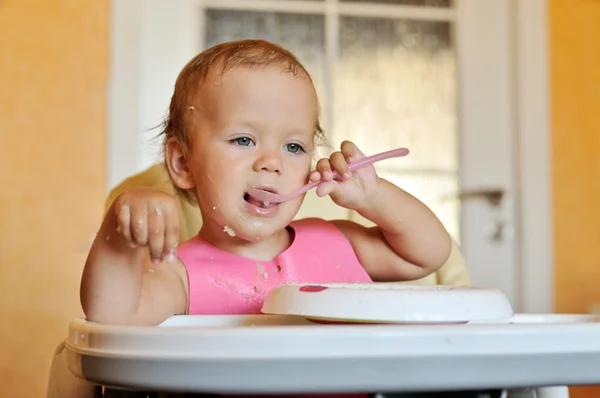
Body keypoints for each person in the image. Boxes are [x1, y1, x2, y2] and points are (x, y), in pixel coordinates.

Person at [81, 39, 469, 326]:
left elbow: (427, 254)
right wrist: (121, 226)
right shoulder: (180, 274)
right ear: (183, 163)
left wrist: (374, 197)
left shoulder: (337, 244)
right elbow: (113, 314)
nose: (272, 162)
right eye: (244, 140)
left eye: (294, 146)